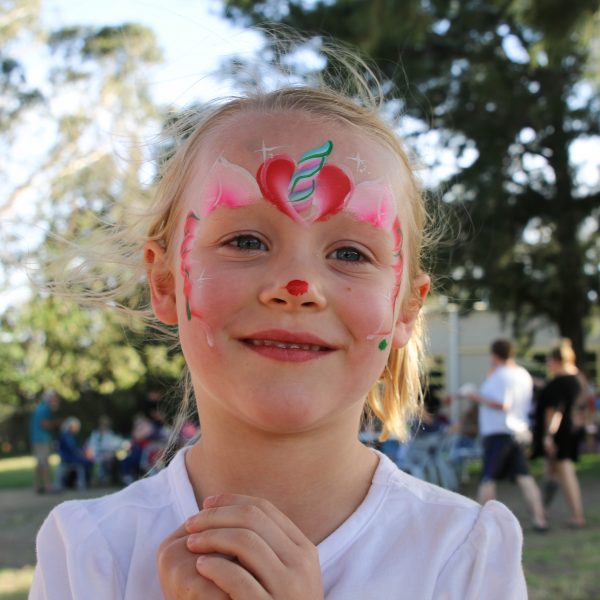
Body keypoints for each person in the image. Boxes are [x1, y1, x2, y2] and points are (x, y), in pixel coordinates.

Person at [30, 48, 527, 599]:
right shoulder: (89, 553)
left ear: (406, 308)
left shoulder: (465, 555)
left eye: (350, 253)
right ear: (166, 282)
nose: (297, 286)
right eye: (245, 241)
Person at [467, 339, 548, 531]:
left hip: (499, 432)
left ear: (494, 355)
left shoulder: (500, 376)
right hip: (519, 431)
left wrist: (475, 397)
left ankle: (479, 523)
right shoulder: (522, 374)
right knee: (524, 477)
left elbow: (503, 404)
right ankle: (540, 519)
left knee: (488, 478)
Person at [532, 339, 586, 527]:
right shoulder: (578, 378)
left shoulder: (559, 382)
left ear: (555, 360)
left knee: (564, 469)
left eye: (549, 360)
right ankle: (541, 510)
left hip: (560, 433)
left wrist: (548, 435)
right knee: (552, 471)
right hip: (574, 429)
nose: (548, 363)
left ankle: (577, 516)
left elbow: (554, 412)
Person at [29, 390, 61, 494]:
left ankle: (37, 487)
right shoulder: (46, 409)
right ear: (50, 399)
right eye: (55, 398)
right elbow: (44, 424)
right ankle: (48, 487)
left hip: (35, 439)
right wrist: (57, 423)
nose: (56, 400)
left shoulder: (38, 408)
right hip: (43, 439)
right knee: (45, 463)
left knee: (39, 463)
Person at [56, 417, 93, 491]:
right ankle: (80, 483)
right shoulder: (66, 436)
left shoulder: (70, 435)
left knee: (87, 462)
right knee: (86, 463)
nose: (76, 429)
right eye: (75, 427)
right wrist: (82, 453)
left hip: (70, 457)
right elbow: (72, 449)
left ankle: (80, 482)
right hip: (68, 458)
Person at [86, 415, 125, 485]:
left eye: (105, 424)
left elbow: (116, 444)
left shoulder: (110, 434)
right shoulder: (95, 434)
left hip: (108, 455)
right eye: (102, 424)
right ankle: (98, 479)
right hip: (97, 455)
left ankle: (106, 478)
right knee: (97, 461)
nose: (104, 426)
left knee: (112, 459)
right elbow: (91, 445)